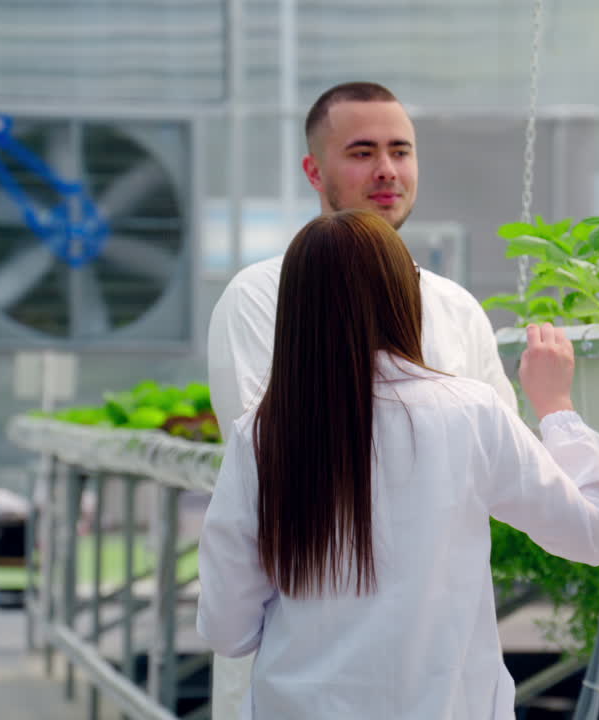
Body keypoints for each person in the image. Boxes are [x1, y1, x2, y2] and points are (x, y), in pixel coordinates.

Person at [196, 210, 599, 719]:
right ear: (405, 295)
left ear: (295, 308)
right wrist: (556, 408)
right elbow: (592, 535)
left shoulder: (262, 435)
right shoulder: (470, 412)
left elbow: (227, 629)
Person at [205, 81, 518, 718]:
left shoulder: (455, 308)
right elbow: (278, 453)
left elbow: (504, 461)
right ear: (313, 169)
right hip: (307, 666)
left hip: (440, 663)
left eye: (401, 151)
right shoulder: (263, 297)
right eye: (362, 151)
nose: (386, 170)